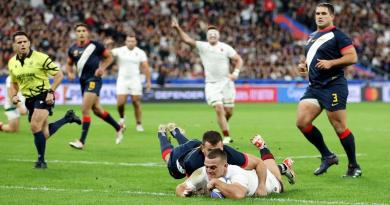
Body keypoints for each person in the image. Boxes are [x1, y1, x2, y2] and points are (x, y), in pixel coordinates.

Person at [296, 2, 361, 177]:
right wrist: (303, 66)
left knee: (339, 127)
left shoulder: (338, 36)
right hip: (314, 87)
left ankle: (353, 166)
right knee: (302, 122)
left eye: (324, 13)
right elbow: (309, 59)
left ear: (332, 16)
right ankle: (328, 155)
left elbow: (352, 57)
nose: (320, 16)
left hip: (333, 85)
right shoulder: (312, 36)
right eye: (317, 13)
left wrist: (331, 63)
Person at [156, 123, 295, 196]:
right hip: (179, 160)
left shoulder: (228, 153)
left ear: (222, 146)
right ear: (203, 149)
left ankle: (176, 132)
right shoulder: (192, 163)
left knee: (275, 178)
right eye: (210, 151)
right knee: (169, 160)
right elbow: (191, 184)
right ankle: (162, 135)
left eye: (218, 149)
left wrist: (261, 186)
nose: (215, 153)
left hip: (197, 144)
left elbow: (258, 163)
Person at [8, 31, 81, 168]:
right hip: (29, 99)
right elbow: (13, 83)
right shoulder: (12, 63)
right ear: (14, 45)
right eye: (19, 42)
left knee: (34, 126)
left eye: (25, 41)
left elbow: (59, 75)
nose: (23, 44)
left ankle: (41, 161)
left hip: (43, 95)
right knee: (44, 133)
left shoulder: (41, 58)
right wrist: (13, 95)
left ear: (29, 43)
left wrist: (51, 92)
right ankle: (67, 118)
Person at [171, 18, 244, 144]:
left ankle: (223, 123)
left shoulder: (225, 48)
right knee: (219, 108)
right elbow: (187, 40)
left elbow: (239, 59)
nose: (212, 36)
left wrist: (235, 73)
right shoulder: (203, 46)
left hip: (227, 83)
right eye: (210, 34)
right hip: (212, 84)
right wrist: (177, 28)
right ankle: (226, 136)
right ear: (207, 36)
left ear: (218, 36)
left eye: (214, 34)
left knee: (229, 112)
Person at [66, 23, 124, 149]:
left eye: (83, 30)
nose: (81, 33)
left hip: (94, 80)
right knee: (97, 110)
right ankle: (119, 128)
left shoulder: (96, 46)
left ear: (87, 33)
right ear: (75, 34)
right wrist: (70, 72)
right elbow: (69, 64)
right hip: (83, 81)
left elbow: (109, 57)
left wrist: (102, 68)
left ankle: (81, 142)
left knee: (85, 109)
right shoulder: (72, 49)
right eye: (79, 31)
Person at [176, 148, 286, 199]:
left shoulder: (236, 173)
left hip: (270, 183)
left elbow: (239, 194)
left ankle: (267, 151)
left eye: (213, 167)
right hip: (251, 175)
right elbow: (180, 187)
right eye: (207, 166)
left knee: (277, 177)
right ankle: (282, 167)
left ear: (225, 166)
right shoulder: (202, 171)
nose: (209, 171)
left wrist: (216, 182)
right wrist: (184, 193)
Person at [110, 33, 152, 132]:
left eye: (133, 41)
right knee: (120, 103)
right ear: (126, 42)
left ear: (136, 42)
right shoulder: (119, 50)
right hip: (122, 79)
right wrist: (109, 45)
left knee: (136, 102)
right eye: (129, 41)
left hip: (135, 79)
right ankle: (122, 118)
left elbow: (145, 67)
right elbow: (107, 54)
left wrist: (148, 81)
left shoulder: (140, 52)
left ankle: (138, 124)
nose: (131, 43)